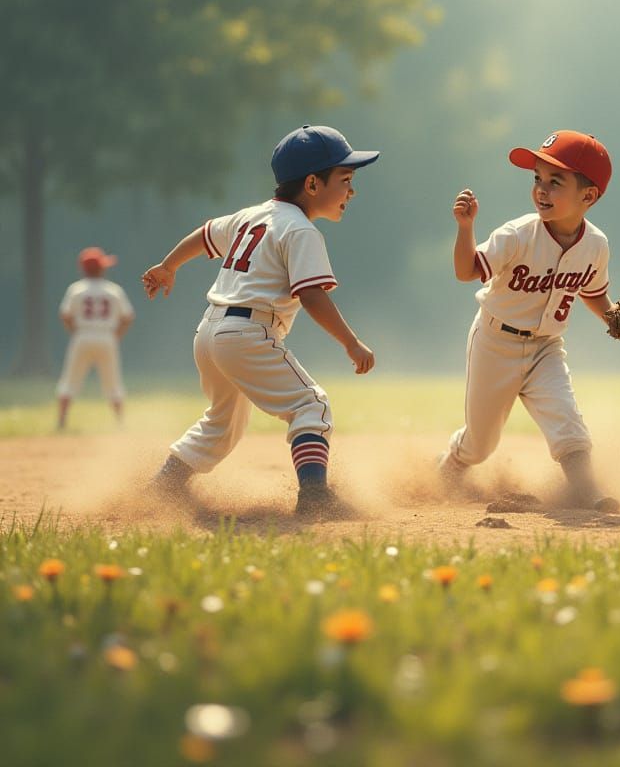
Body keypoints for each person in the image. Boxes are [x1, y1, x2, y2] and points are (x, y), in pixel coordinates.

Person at [141, 125, 379, 519]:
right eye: (346, 180)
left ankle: (162, 488)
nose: (352, 191)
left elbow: (203, 237)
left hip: (209, 332)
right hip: (247, 333)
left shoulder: (252, 216)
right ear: (313, 184)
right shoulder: (301, 230)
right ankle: (315, 498)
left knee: (222, 423)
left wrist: (169, 266)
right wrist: (350, 343)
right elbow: (312, 295)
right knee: (311, 404)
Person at [439, 130, 620, 512]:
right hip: (495, 343)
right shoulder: (518, 234)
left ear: (588, 196)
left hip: (546, 348)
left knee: (567, 422)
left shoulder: (596, 245)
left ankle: (586, 491)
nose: (541, 189)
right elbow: (466, 270)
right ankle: (449, 466)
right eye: (537, 178)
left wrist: (615, 320)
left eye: (556, 182)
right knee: (480, 444)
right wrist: (465, 228)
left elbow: (593, 293)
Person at [55, 247, 135, 431]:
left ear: (83, 269)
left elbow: (65, 316)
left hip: (82, 334)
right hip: (107, 336)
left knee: (70, 379)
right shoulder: (113, 290)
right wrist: (116, 335)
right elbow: (128, 316)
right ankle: (120, 422)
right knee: (113, 381)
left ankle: (61, 422)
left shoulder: (76, 289)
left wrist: (75, 331)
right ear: (101, 268)